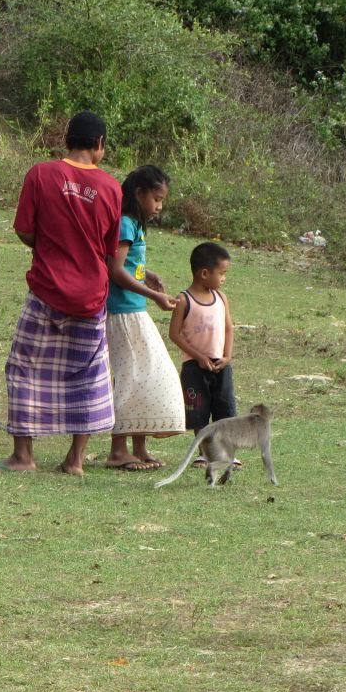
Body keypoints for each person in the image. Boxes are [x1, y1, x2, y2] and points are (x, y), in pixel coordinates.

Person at [1, 111, 122, 476]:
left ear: (67, 139)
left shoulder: (41, 174)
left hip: (47, 288)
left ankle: (24, 456)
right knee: (88, 373)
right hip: (91, 295)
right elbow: (108, 248)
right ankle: (75, 461)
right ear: (99, 144)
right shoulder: (112, 188)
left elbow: (24, 229)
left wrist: (48, 246)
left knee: (24, 366)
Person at [102, 166, 183, 471]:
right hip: (123, 311)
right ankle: (118, 449)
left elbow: (126, 264)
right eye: (157, 199)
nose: (159, 206)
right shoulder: (125, 223)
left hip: (134, 308)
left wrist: (146, 275)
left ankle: (139, 446)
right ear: (139, 194)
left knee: (144, 375)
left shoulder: (133, 224)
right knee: (131, 375)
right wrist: (155, 296)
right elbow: (115, 269)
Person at [169, 241, 238, 466]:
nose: (224, 278)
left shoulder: (221, 298)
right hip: (194, 368)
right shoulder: (184, 300)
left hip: (220, 365)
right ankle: (205, 453)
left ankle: (227, 455)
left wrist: (227, 356)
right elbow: (175, 334)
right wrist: (198, 356)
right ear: (205, 273)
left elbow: (229, 327)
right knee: (199, 411)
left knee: (225, 409)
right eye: (222, 273)